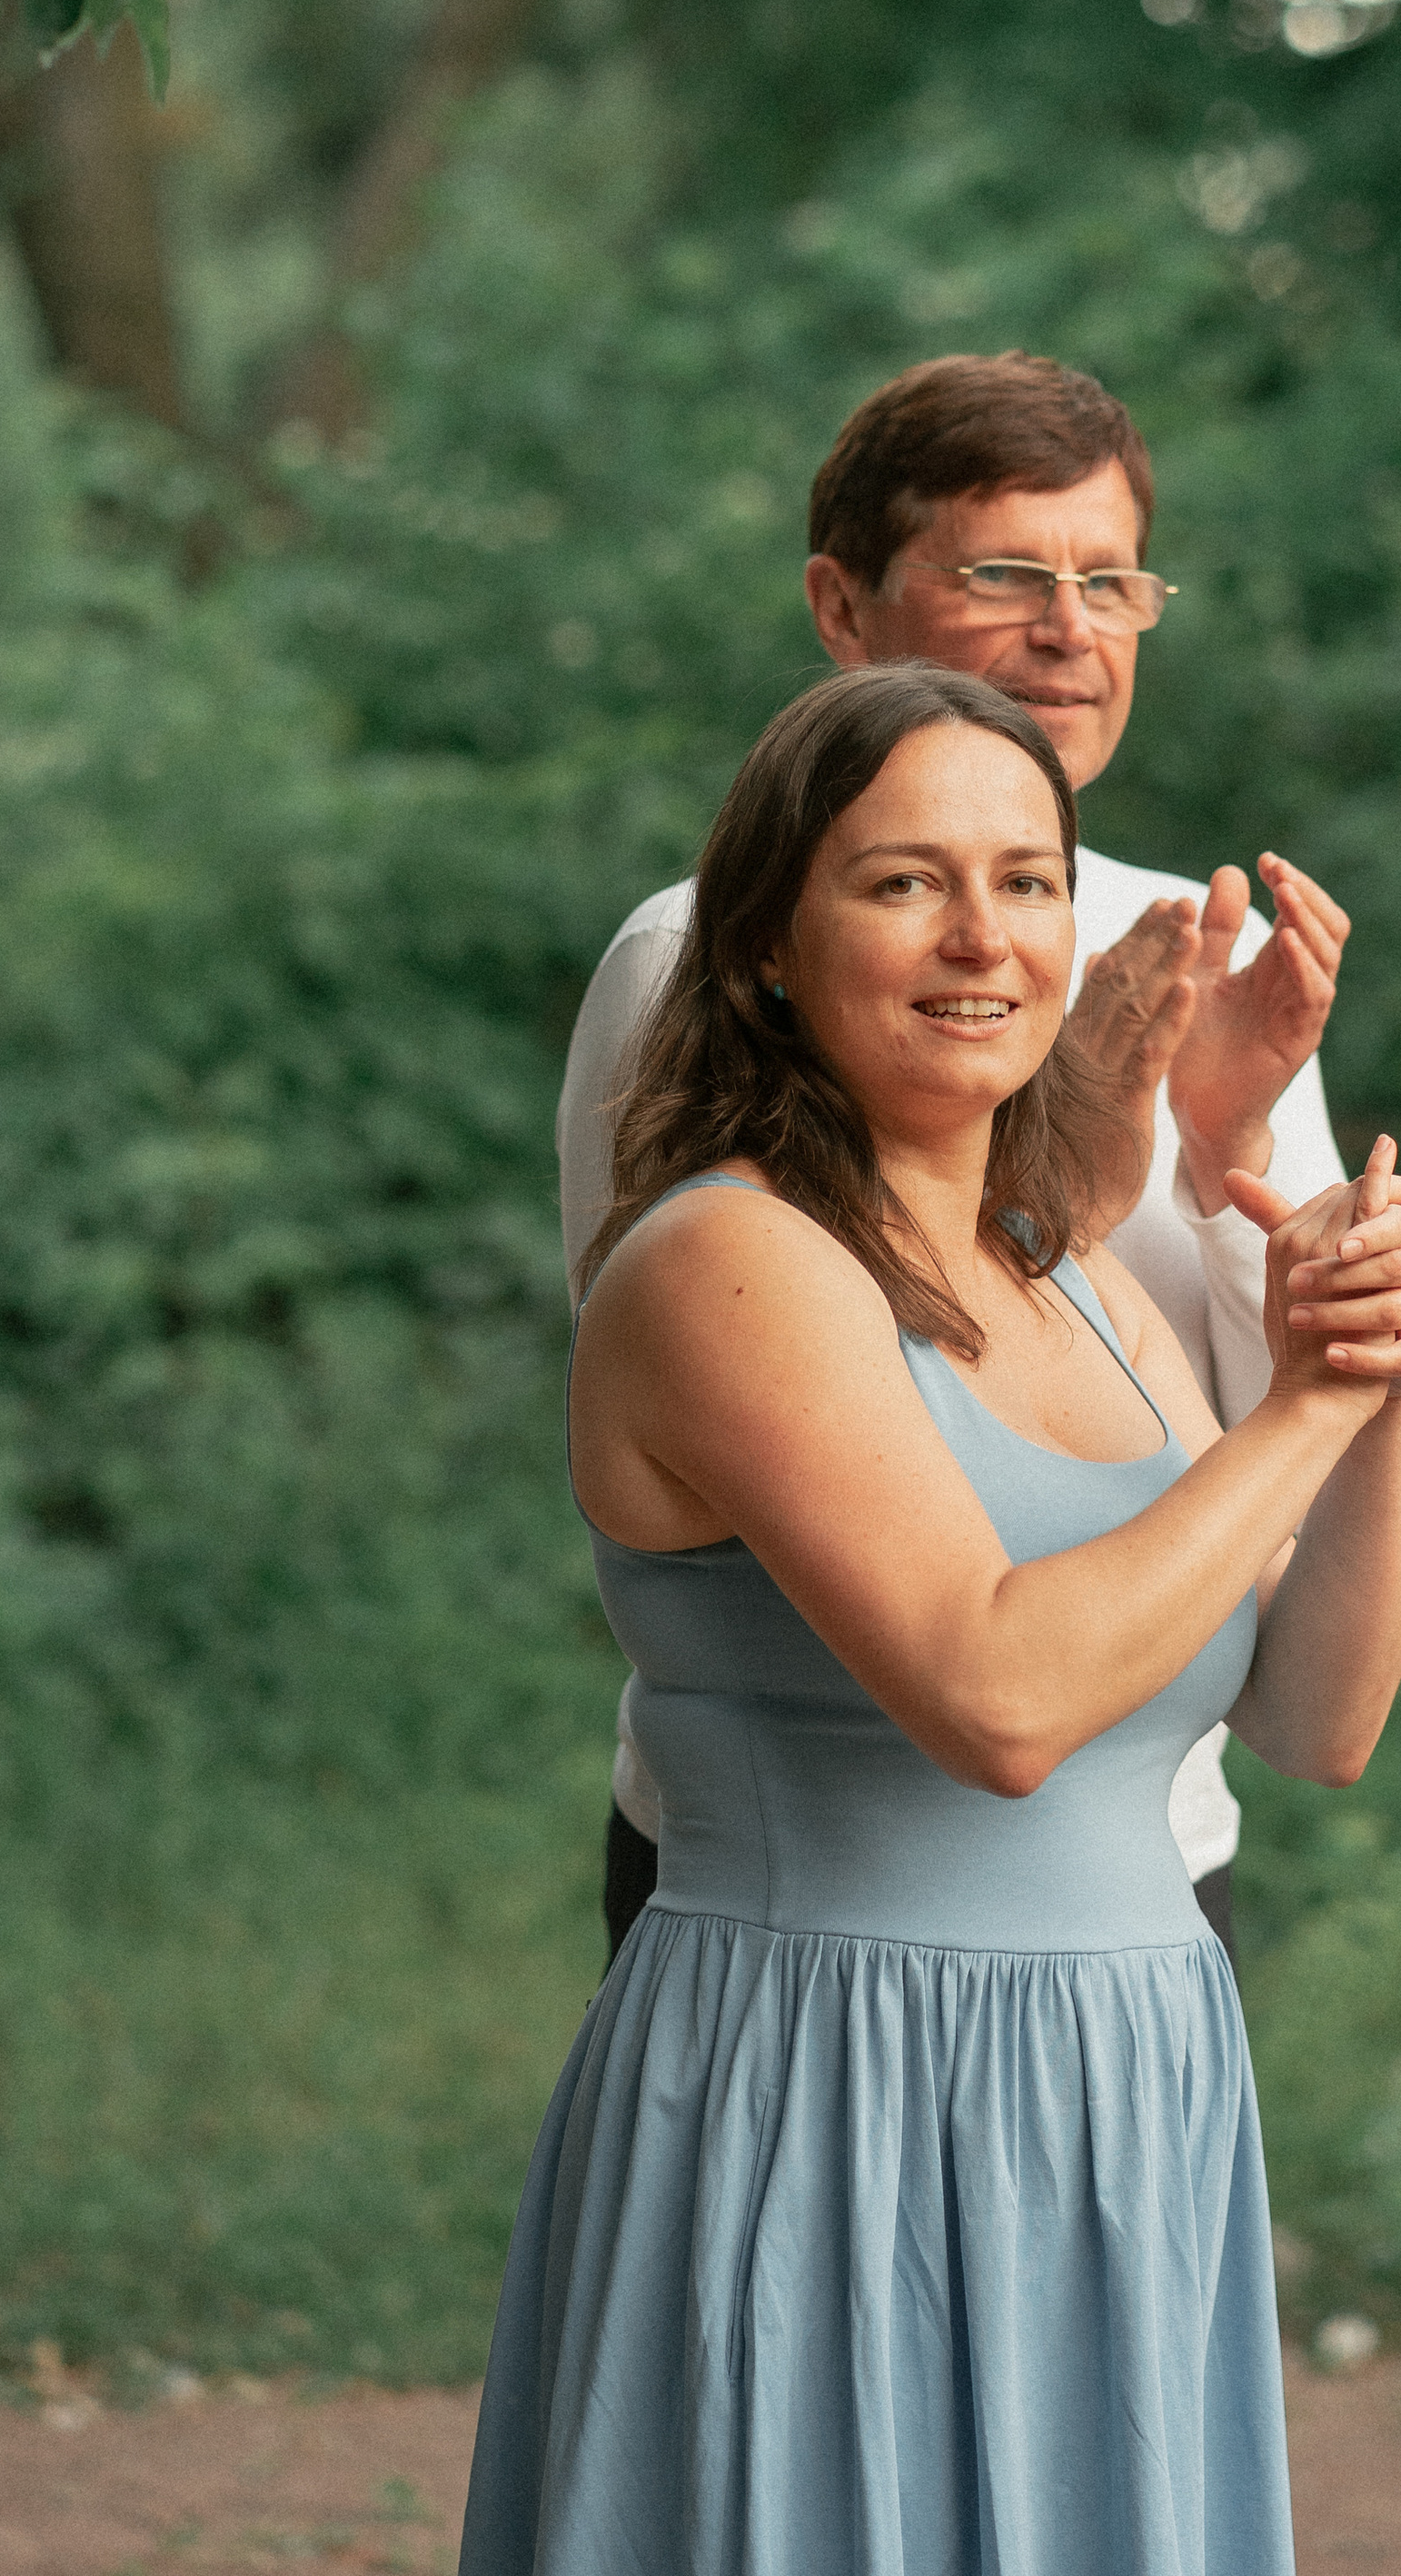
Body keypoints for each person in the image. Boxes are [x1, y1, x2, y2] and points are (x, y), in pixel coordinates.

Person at [462, 662, 1401, 2576]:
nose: (981, 936)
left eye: (1023, 881)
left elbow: (1319, 1712)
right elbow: (996, 1699)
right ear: (761, 940)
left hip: (1120, 2095)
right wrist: (1301, 1405)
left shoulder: (1076, 1276)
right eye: (900, 882)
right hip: (824, 2092)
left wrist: (1380, 1378)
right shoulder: (722, 1258)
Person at [560, 352, 1351, 1961]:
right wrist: (1101, 1135)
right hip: (831, 1858)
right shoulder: (694, 957)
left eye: (1113, 579)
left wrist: (1226, 1152)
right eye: (1005, 573)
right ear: (843, 610)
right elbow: (764, 1389)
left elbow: (1282, 1480)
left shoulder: (1216, 947)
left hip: (1148, 1831)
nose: (1071, 628)